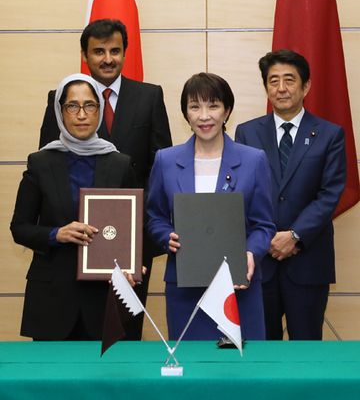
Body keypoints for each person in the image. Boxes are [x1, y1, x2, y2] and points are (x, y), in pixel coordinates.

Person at [38, 19, 172, 339]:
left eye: (115, 50)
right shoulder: (59, 99)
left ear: (125, 53)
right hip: (75, 239)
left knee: (122, 334)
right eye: (99, 51)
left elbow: (161, 166)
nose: (108, 58)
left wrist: (139, 230)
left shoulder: (149, 96)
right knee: (73, 332)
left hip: (131, 240)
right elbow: (47, 169)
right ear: (85, 55)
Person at [147, 72, 275, 341]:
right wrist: (164, 236)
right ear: (186, 114)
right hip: (185, 288)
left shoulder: (253, 160)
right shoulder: (166, 160)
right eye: (195, 107)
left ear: (227, 111)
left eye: (213, 106)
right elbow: (155, 216)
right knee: (191, 371)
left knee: (241, 372)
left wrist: (252, 253)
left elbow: (263, 225)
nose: (204, 116)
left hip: (239, 289)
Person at [11, 74, 137, 340]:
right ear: (60, 111)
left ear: (100, 110)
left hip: (104, 299)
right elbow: (19, 228)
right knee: (49, 380)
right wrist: (56, 234)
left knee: (105, 381)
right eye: (72, 106)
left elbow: (133, 228)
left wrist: (132, 263)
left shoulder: (120, 164)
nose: (82, 114)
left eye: (90, 105)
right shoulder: (40, 162)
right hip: (52, 297)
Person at [235, 49, 346, 340]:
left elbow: (330, 193)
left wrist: (294, 235)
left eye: (289, 80)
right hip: (260, 260)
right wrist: (266, 238)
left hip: (308, 260)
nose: (281, 88)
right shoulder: (247, 133)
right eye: (273, 81)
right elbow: (242, 192)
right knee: (262, 349)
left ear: (305, 86)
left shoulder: (330, 134)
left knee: (306, 351)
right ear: (266, 87)